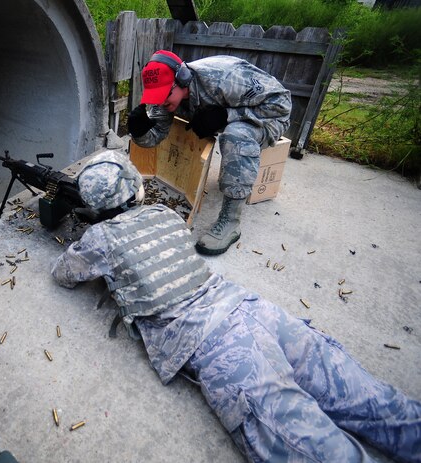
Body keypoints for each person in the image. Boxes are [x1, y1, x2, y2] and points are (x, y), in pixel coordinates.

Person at [51, 150, 421, 463]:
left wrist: (85, 230)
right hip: (253, 308)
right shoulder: (165, 215)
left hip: (215, 345)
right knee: (376, 402)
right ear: (135, 189)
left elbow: (64, 273)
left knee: (318, 450)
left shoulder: (100, 238)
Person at [127, 50, 292, 256]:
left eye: (165, 95)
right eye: (156, 97)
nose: (160, 103)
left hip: (268, 116)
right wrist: (139, 132)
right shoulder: (166, 98)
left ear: (182, 80)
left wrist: (226, 115)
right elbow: (158, 134)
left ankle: (231, 222)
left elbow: (282, 104)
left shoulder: (225, 79)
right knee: (230, 129)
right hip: (231, 110)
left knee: (236, 135)